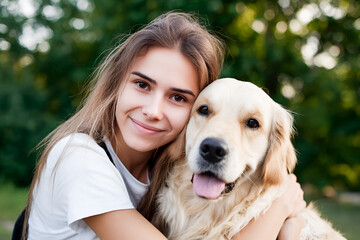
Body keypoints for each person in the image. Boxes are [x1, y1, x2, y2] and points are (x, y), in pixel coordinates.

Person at [22, 12, 306, 240]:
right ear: (116, 84)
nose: (153, 111)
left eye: (178, 97)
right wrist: (280, 208)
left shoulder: (165, 168)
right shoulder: (79, 158)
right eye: (142, 84)